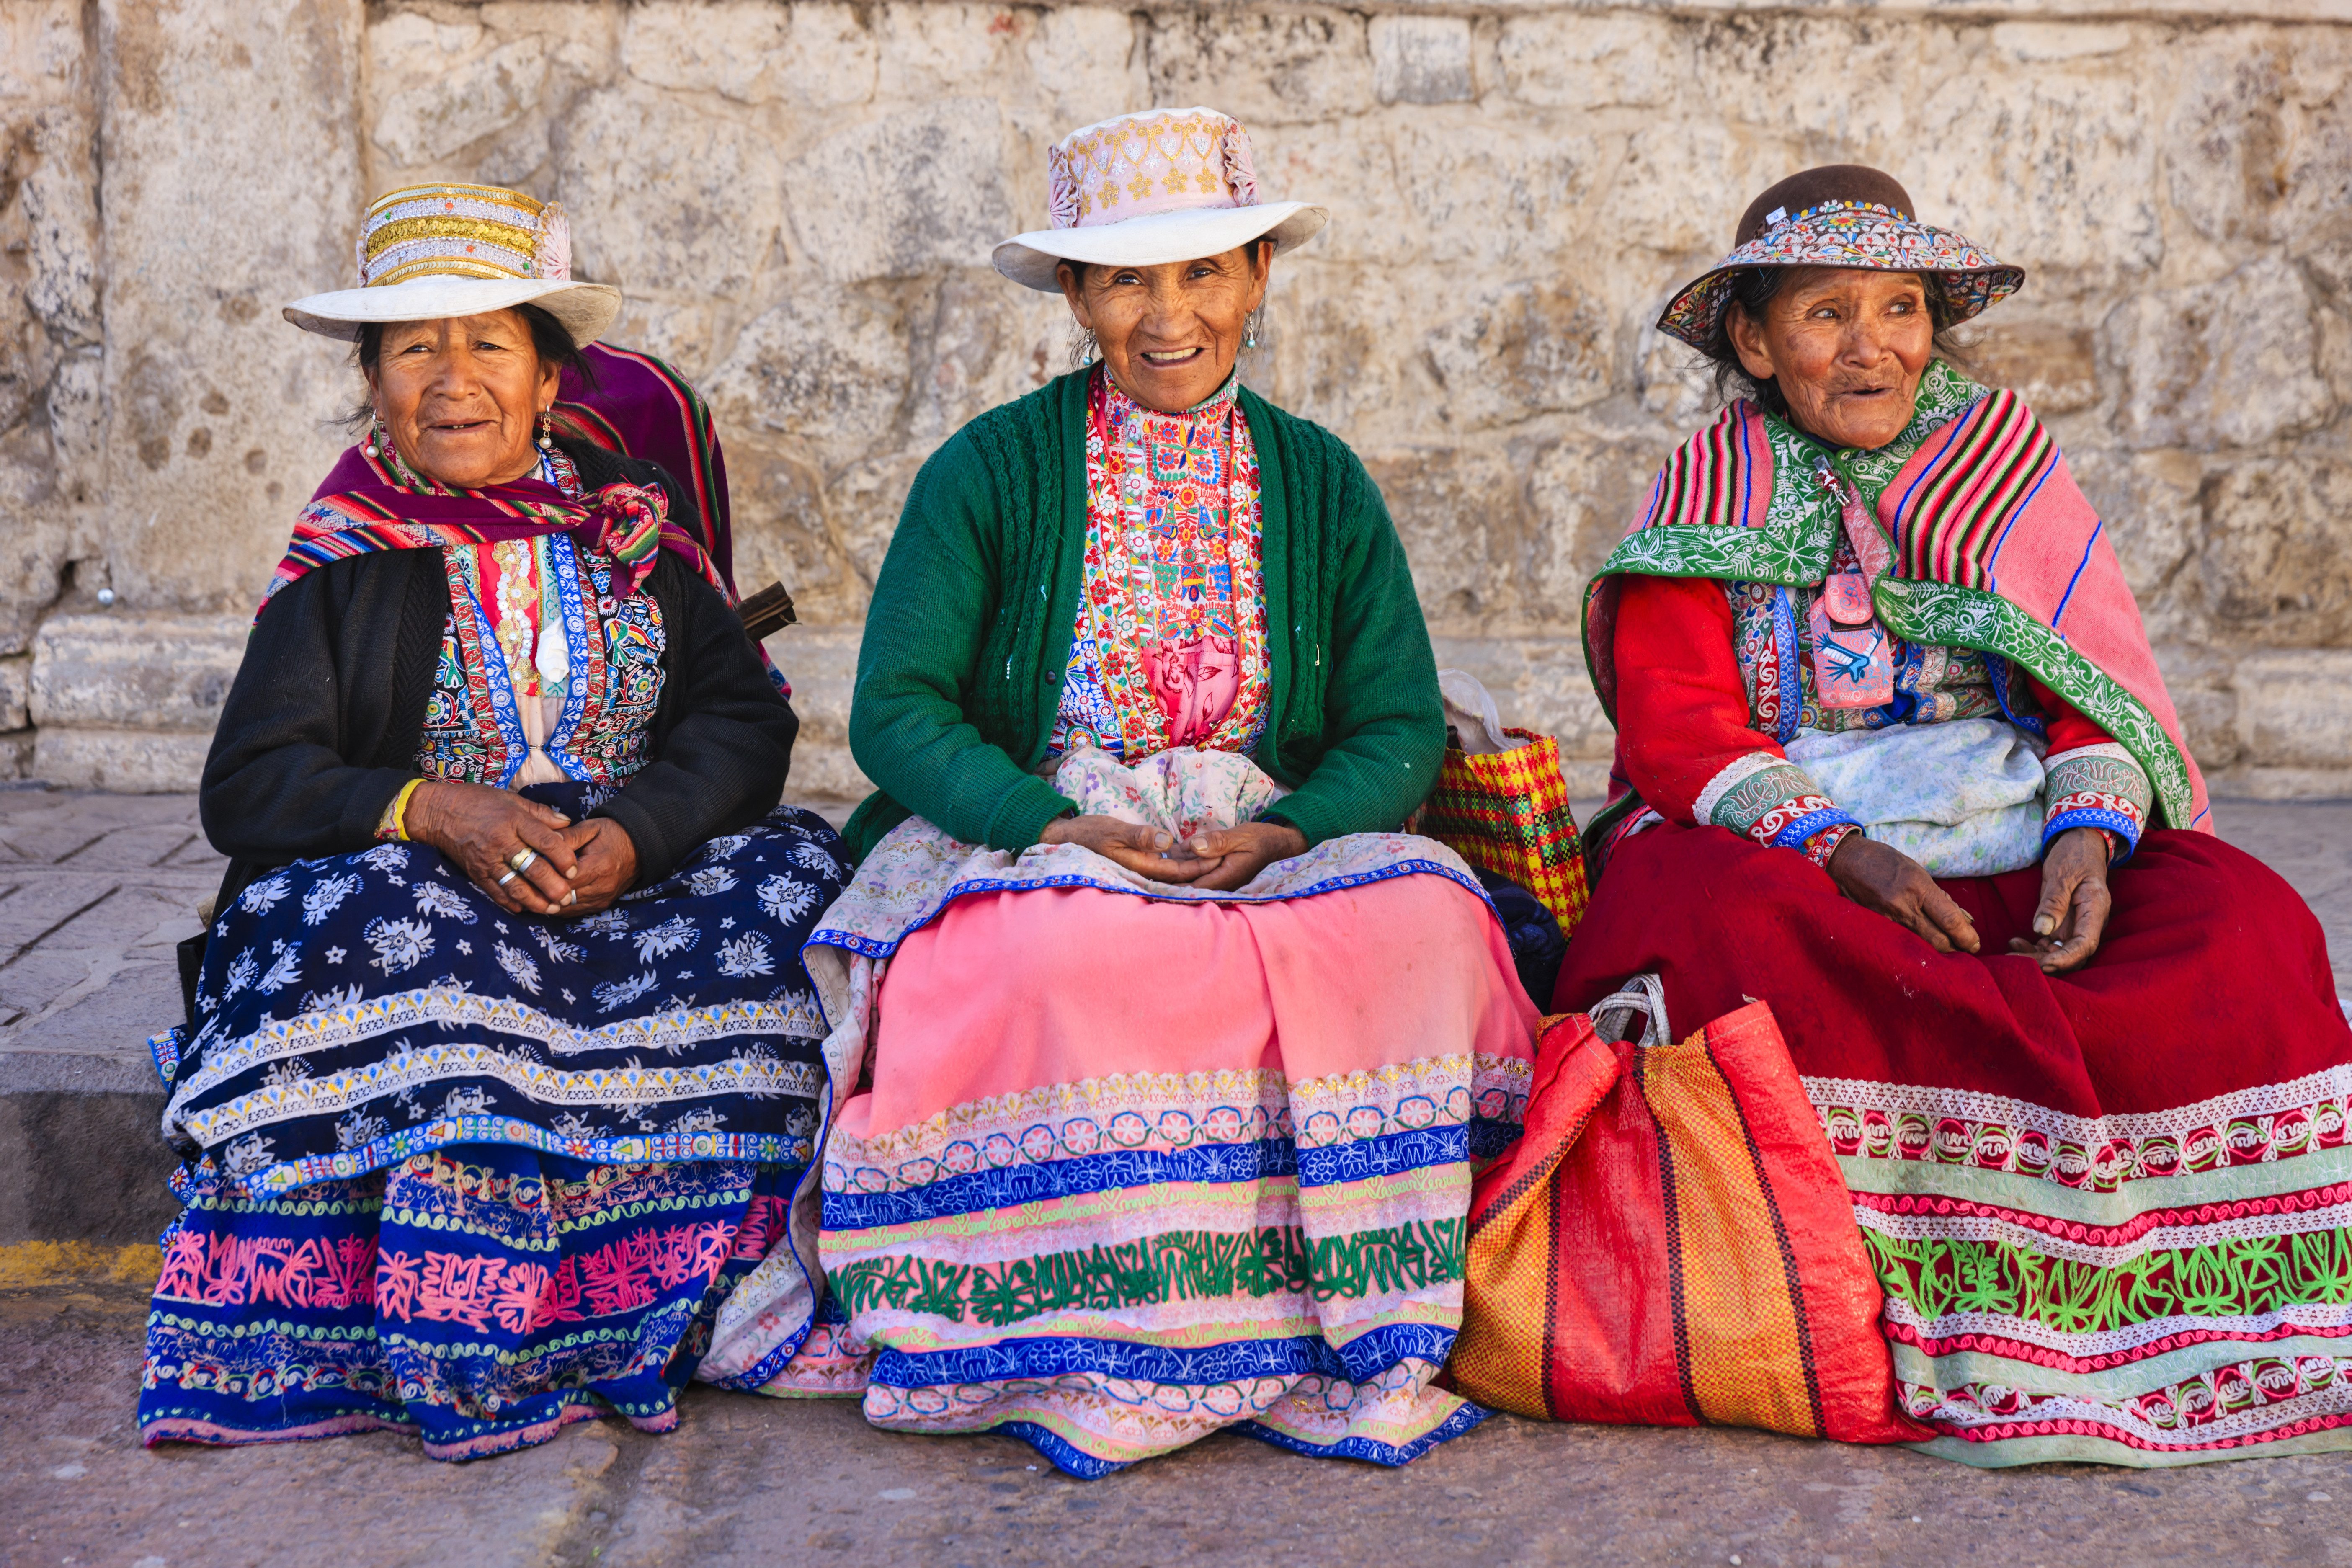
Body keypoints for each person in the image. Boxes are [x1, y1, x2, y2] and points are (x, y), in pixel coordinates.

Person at [721, 108, 1538, 1476]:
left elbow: (1395, 722)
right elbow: (897, 710)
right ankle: (1091, 1318)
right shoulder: (989, 471)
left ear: (1261, 276)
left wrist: (1290, 829)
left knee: (1430, 931)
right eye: (1128, 280)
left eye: (1205, 270)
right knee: (1054, 950)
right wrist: (1054, 826)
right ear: (1080, 298)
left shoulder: (1322, 483)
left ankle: (1344, 1310)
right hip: (1044, 821)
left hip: (1264, 833)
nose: (1170, 314)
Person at [1559, 165, 2352, 1466]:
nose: (1871, 345)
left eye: (1901, 309)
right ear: (1755, 342)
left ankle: (2201, 1303)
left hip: (2014, 838)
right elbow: (1678, 727)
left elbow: (2093, 694)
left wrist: (2088, 843)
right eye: (1825, 312)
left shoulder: (2008, 472)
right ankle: (1839, 1306)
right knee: (1711, 918)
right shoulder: (1703, 490)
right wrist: (1839, 849)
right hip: (1797, 852)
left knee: (2244, 921)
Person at [138, 183, 853, 1461]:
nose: (452, 377)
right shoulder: (345, 557)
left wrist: (640, 830)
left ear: (545, 376)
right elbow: (250, 784)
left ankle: (723, 1301)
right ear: (373, 381)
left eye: (489, 342)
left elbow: (742, 726)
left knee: (804, 914)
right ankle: (470, 1327)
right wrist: (426, 809)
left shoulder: (629, 533)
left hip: (627, 866)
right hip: (429, 881)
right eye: (414, 346)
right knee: (378, 956)